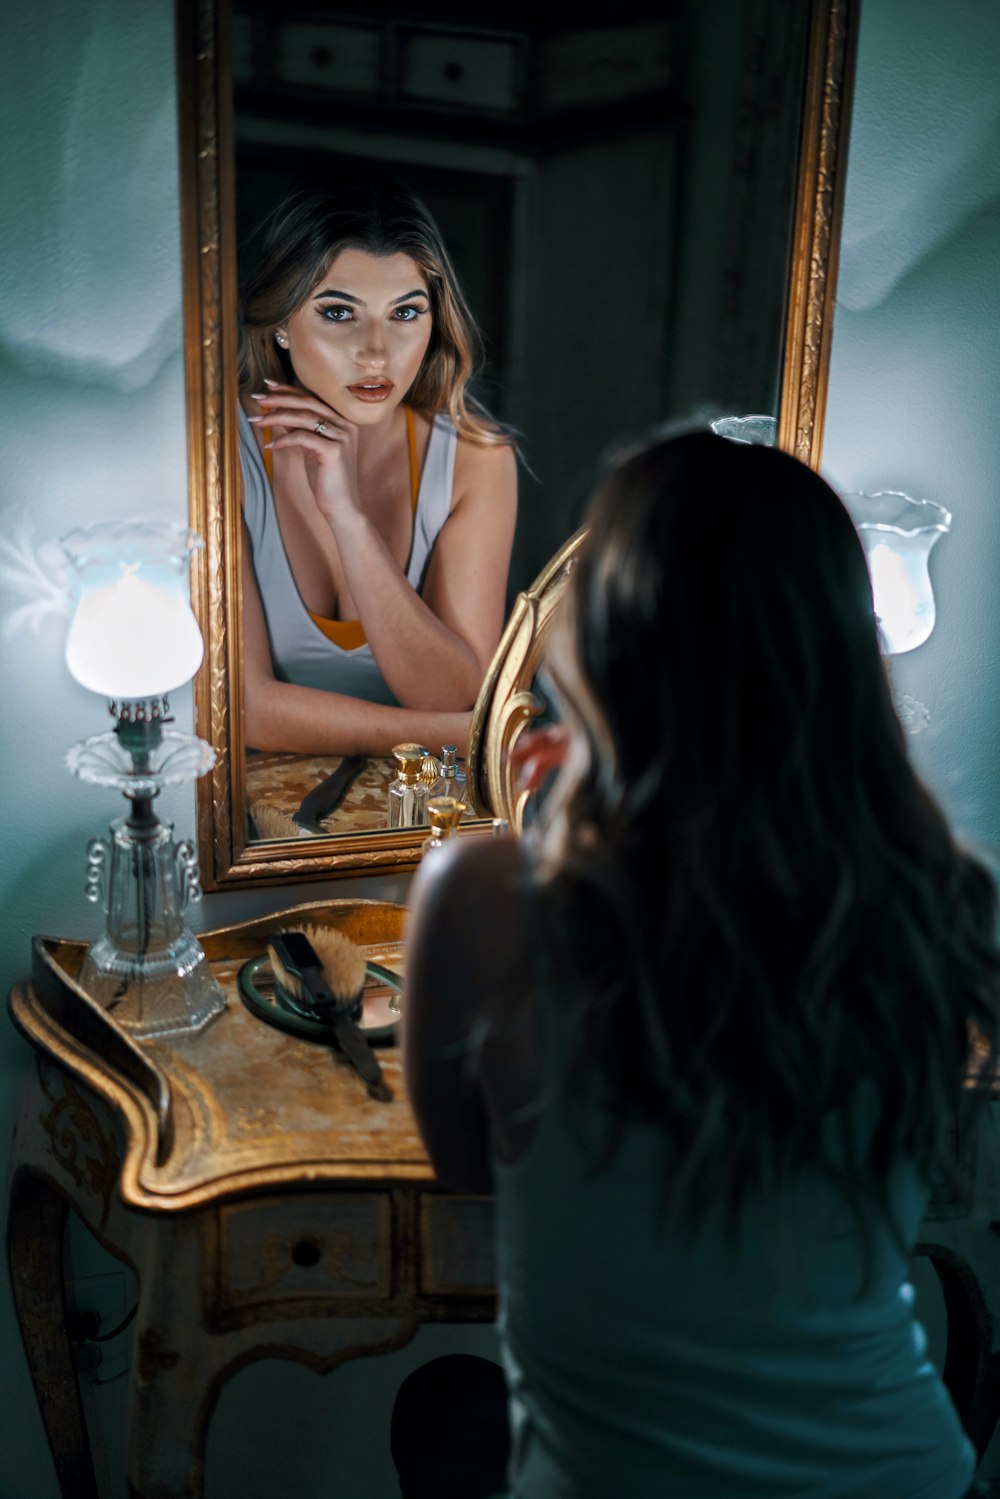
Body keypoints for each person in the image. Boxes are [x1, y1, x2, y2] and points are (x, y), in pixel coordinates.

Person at [402, 427, 1000, 1497]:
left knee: (442, 1410)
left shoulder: (486, 901)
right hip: (903, 1473)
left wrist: (572, 813)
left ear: (608, 635)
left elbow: (467, 1167)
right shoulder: (942, 895)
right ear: (842, 639)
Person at [237, 172, 517, 755]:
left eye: (405, 313)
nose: (377, 352)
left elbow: (450, 694)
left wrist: (347, 517)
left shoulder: (474, 459)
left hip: (420, 817)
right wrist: (452, 737)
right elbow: (245, 711)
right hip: (264, 830)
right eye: (339, 313)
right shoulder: (218, 450)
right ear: (282, 322)